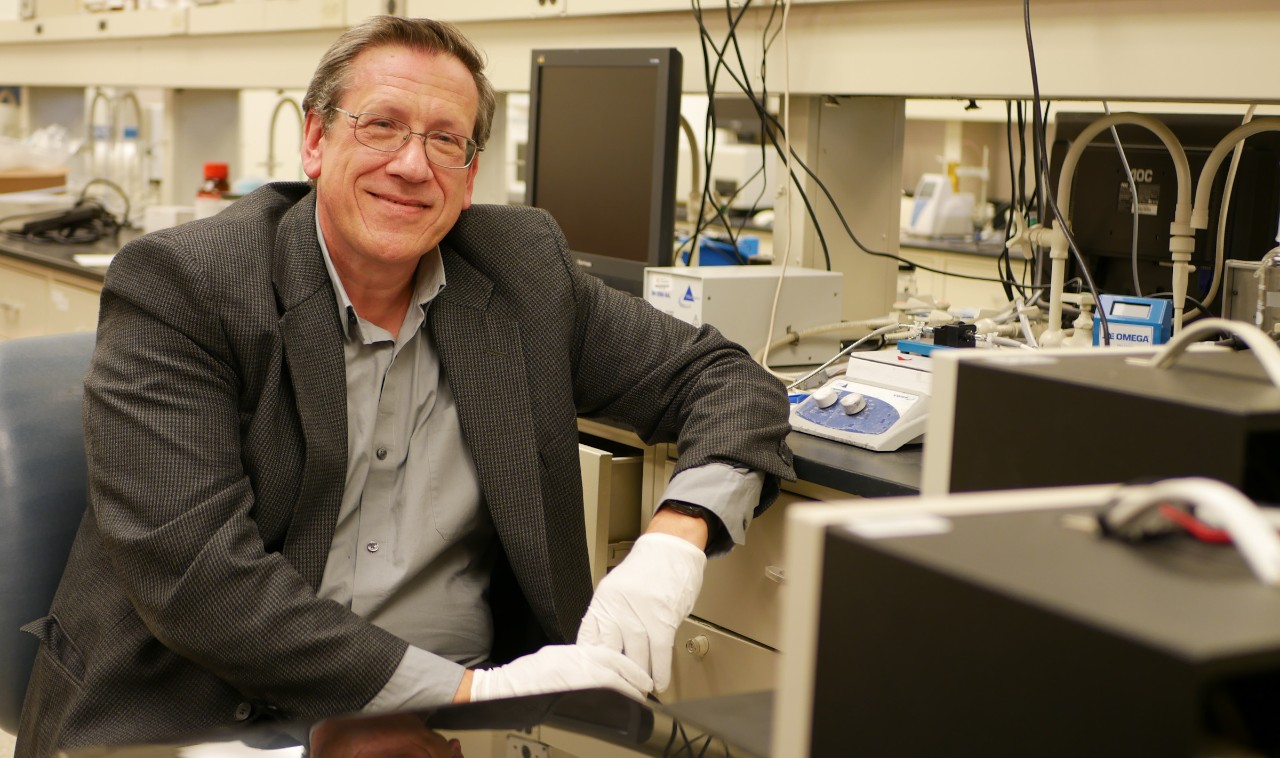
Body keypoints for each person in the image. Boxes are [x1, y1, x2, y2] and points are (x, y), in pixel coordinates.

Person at [16, 15, 794, 756]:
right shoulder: (185, 284)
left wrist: (675, 541)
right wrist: (468, 692)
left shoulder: (524, 273)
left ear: (470, 174)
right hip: (217, 717)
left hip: (464, 728)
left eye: (445, 139)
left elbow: (726, 382)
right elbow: (198, 579)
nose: (412, 166)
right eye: (381, 125)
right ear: (315, 141)